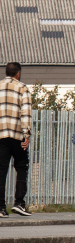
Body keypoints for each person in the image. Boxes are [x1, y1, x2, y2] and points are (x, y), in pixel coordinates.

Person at [0, 63, 32, 218]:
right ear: (18, 73)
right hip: (17, 135)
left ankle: (0, 208)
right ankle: (19, 203)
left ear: (6, 72)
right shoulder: (22, 88)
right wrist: (27, 135)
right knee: (21, 166)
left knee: (1, 170)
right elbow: (25, 112)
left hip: (0, 135)